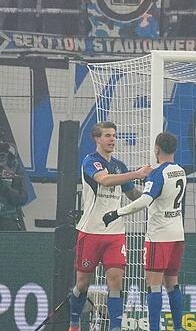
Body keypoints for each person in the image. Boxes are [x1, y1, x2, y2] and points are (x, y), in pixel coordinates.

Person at [68, 122, 152, 331]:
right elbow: (104, 181)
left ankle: (115, 327)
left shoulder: (119, 166)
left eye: (114, 135)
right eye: (107, 135)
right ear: (97, 139)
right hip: (90, 231)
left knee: (115, 281)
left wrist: (152, 199)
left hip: (115, 234)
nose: (112, 139)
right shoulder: (91, 161)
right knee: (82, 284)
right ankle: (74, 322)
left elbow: (132, 195)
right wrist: (137, 174)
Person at [102, 133, 186, 331]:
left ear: (157, 149)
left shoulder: (159, 173)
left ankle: (155, 328)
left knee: (154, 284)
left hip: (159, 236)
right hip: (177, 234)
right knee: (172, 283)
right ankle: (178, 327)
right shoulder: (180, 171)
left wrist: (117, 212)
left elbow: (144, 201)